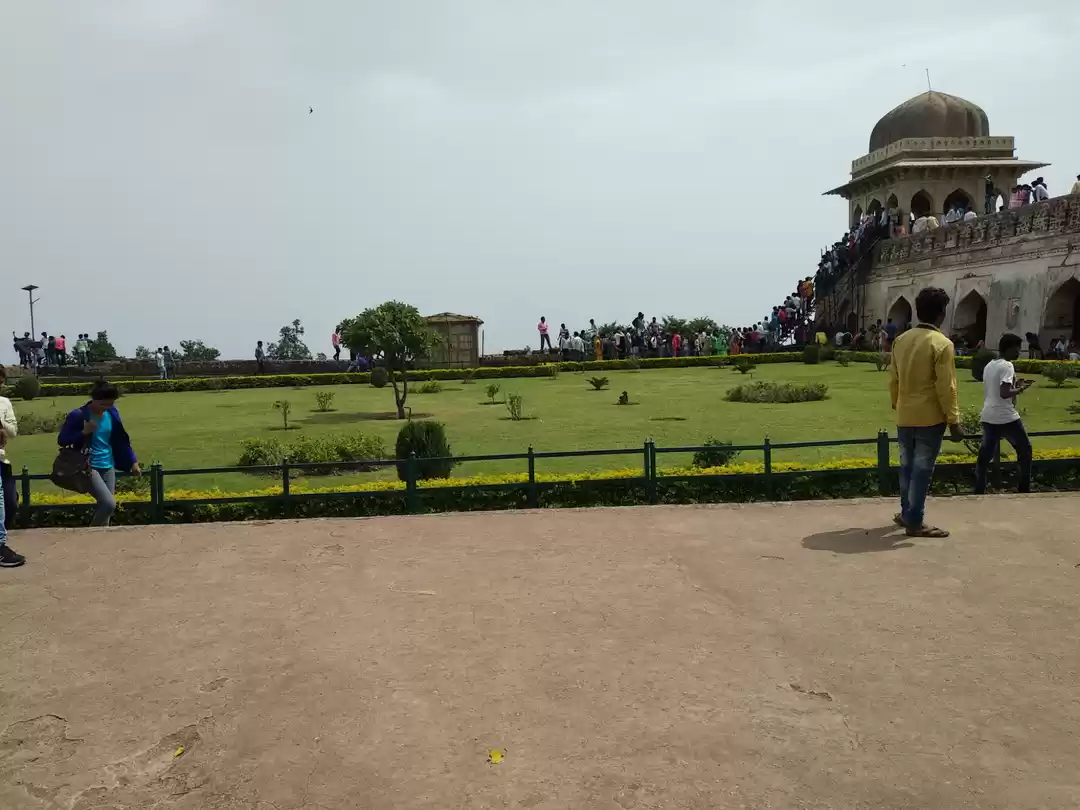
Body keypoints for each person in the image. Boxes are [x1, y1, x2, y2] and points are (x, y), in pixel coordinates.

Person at [888, 287, 963, 538]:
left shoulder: (901, 340)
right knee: (921, 470)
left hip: (905, 414)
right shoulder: (942, 344)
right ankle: (915, 521)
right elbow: (946, 386)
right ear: (942, 313)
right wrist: (953, 420)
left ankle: (907, 512)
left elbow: (893, 379)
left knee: (906, 467)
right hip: (930, 417)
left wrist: (897, 403)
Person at [58, 381, 140, 528]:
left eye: (110, 404)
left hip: (108, 464)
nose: (106, 408)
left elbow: (121, 439)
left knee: (106, 509)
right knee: (109, 504)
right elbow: (62, 440)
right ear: (94, 399)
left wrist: (132, 461)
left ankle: (101, 545)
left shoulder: (112, 413)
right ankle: (88, 537)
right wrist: (83, 432)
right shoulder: (79, 415)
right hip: (87, 466)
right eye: (103, 404)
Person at [975, 333, 1033, 495]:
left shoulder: (989, 365)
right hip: (1006, 417)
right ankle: (1024, 488)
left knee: (985, 455)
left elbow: (997, 388)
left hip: (988, 415)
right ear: (1008, 349)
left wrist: (1015, 384)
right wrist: (1021, 389)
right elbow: (1005, 392)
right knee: (1025, 450)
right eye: (1017, 349)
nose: (1018, 353)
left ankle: (979, 489)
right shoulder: (1007, 365)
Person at [0, 366, 24, 567]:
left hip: (1, 460)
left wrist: (1, 424)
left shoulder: (4, 403)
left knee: (10, 503)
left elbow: (13, 432)